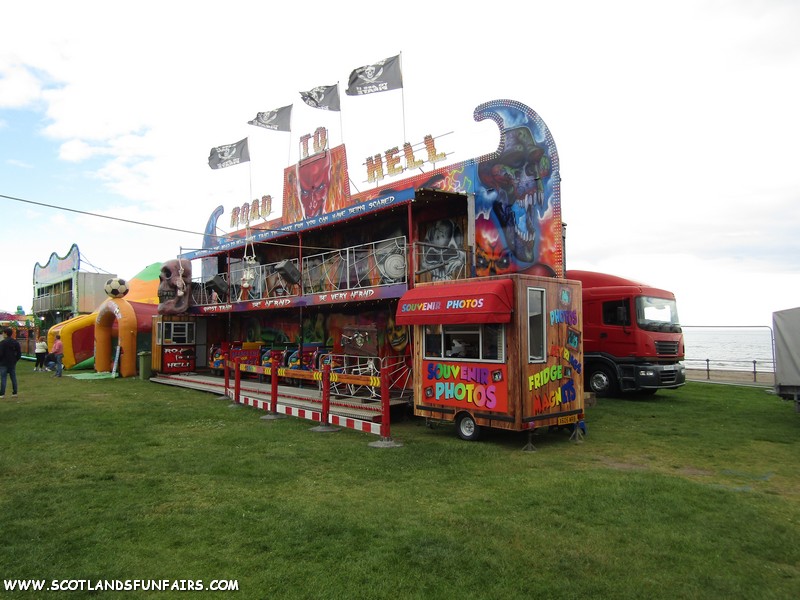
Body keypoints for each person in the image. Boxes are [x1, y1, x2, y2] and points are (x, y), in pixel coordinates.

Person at [0, 327, 22, 398]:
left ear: (6, 333)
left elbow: (1, 353)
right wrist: (15, 360)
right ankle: (14, 393)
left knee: (3, 378)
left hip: (3, 363)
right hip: (12, 362)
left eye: (3, 333)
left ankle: (2, 394)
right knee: (13, 377)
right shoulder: (15, 342)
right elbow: (19, 353)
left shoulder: (2, 343)